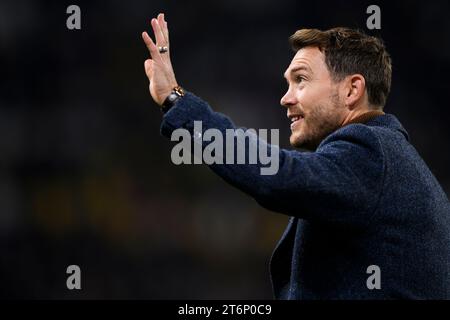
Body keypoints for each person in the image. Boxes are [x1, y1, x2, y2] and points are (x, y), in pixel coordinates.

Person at [141, 13, 450, 299]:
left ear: (352, 90)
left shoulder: (371, 152)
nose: (285, 98)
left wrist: (175, 100)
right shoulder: (390, 159)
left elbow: (277, 176)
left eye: (301, 80)